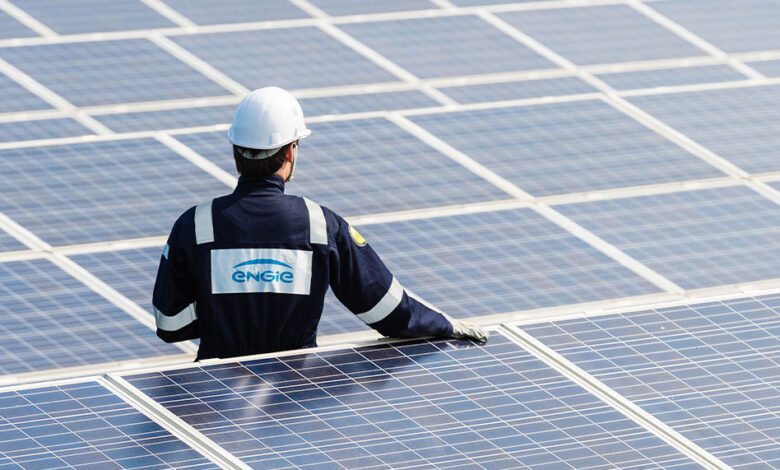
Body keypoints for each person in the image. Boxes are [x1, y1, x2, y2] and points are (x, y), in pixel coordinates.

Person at [152, 87, 488, 361]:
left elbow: (170, 325)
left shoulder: (194, 225)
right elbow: (385, 310)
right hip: (294, 401)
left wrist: (226, 312)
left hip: (216, 402)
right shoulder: (321, 225)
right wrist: (443, 324)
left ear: (236, 151)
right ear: (290, 152)